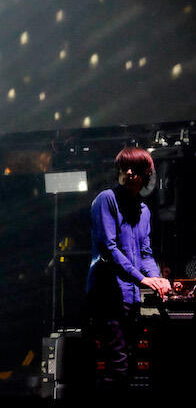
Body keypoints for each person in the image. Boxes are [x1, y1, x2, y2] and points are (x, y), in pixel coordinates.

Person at [85, 146, 171, 395]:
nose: (129, 172)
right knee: (118, 365)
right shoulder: (106, 199)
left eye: (135, 168)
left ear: (146, 174)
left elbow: (145, 253)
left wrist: (156, 279)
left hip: (129, 297)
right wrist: (143, 279)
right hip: (107, 294)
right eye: (124, 167)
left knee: (130, 363)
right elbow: (109, 248)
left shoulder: (144, 211)